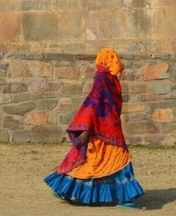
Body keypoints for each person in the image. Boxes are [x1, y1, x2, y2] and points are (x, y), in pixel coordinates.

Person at [44, 48, 144, 208]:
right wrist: (86, 128)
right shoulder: (103, 79)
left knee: (94, 160)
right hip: (102, 129)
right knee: (117, 159)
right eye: (114, 59)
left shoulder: (109, 78)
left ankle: (64, 190)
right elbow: (94, 103)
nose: (117, 62)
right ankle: (125, 197)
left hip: (108, 127)